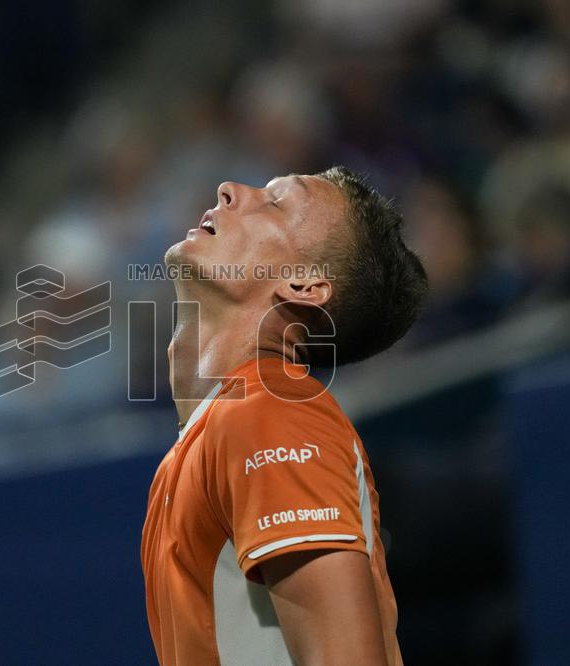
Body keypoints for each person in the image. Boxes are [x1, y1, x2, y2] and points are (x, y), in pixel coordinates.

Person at [141, 166, 428, 665]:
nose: (229, 190)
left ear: (304, 285)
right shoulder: (205, 440)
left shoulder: (271, 410)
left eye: (276, 203)